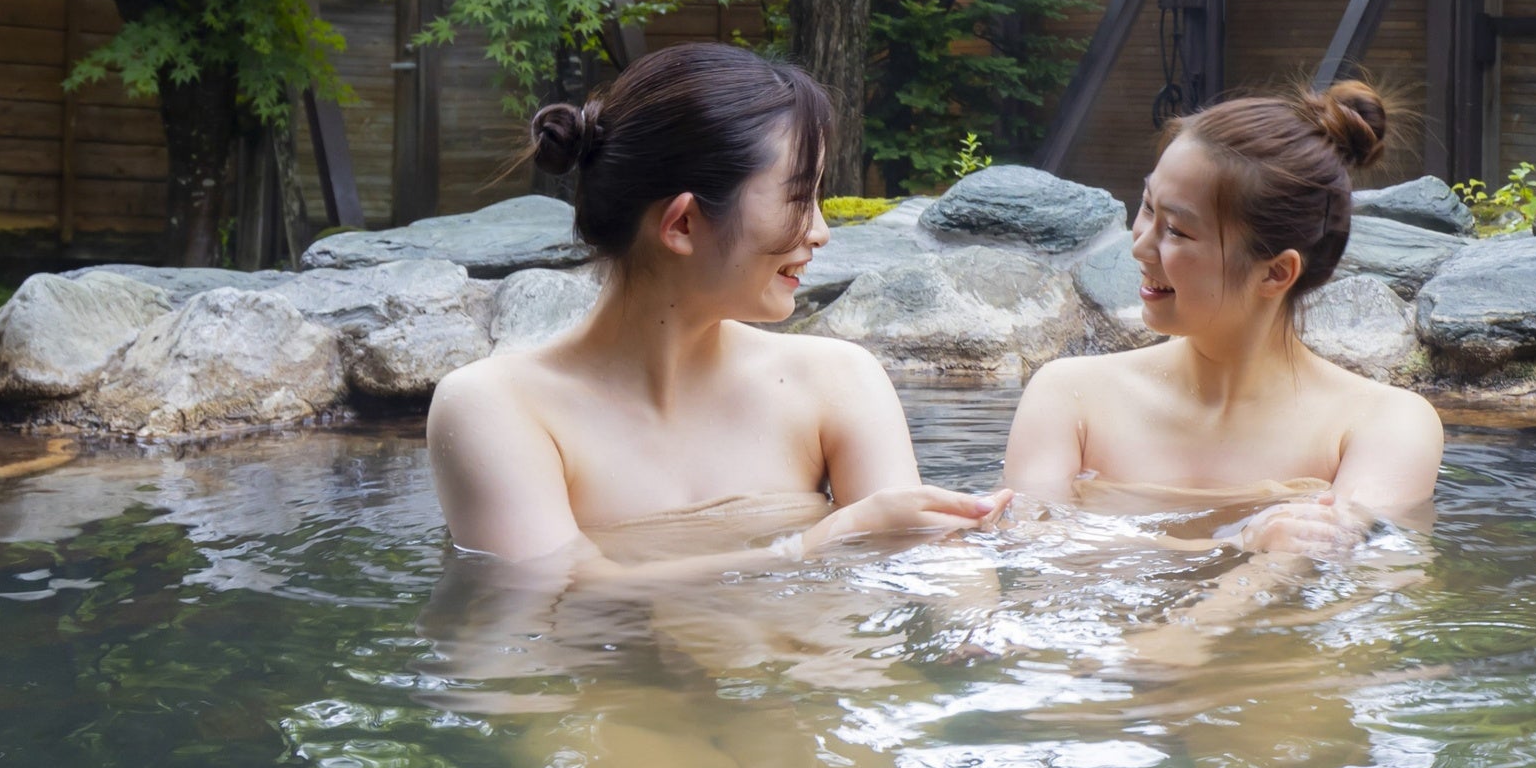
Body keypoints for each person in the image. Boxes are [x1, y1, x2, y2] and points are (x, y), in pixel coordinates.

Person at [427, 42, 995, 572]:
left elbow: (927, 564)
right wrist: (814, 544)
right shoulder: (498, 409)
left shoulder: (840, 382)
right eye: (800, 197)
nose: (820, 232)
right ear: (684, 224)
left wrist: (980, 639)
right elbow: (551, 597)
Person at [1000, 82, 1445, 558]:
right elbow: (1029, 552)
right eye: (1147, 206)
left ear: (1275, 272)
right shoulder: (1069, 397)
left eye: (1176, 230)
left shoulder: (1381, 426)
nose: (1140, 246)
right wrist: (1238, 544)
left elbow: (1362, 602)